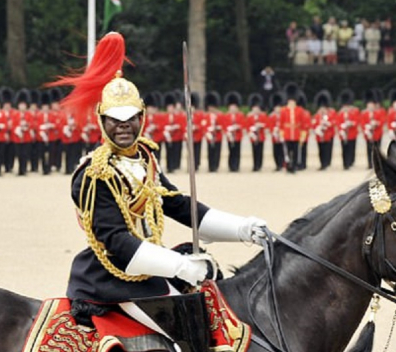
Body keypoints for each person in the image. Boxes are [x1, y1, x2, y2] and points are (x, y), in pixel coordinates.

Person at [49, 32, 264, 352]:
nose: (123, 126)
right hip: (112, 279)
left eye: (131, 119)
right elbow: (119, 243)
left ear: (142, 117)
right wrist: (178, 266)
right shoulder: (94, 175)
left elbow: (180, 205)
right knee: (189, 330)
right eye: (114, 120)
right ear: (102, 120)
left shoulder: (145, 158)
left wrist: (243, 228)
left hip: (150, 266)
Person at [36, 90, 59, 175]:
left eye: (46, 107)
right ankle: (43, 168)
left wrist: (51, 125)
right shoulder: (39, 115)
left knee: (51, 154)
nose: (45, 108)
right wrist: (42, 129)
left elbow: (57, 125)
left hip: (51, 137)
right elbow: (36, 126)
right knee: (42, 154)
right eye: (43, 107)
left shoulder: (52, 115)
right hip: (41, 138)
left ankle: (48, 168)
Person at [360, 89, 385, 169]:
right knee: (369, 150)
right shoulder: (364, 113)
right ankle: (370, 164)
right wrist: (367, 127)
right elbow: (362, 123)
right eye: (369, 105)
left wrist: (376, 123)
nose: (370, 107)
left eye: (372, 105)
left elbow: (382, 121)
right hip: (368, 134)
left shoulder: (378, 113)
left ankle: (378, 164)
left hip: (377, 134)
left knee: (377, 150)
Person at [222, 91, 246, 172]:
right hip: (230, 136)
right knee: (230, 151)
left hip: (237, 136)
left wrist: (237, 126)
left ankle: (236, 166)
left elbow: (243, 124)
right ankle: (231, 166)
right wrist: (228, 130)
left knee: (237, 152)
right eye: (231, 107)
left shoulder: (240, 115)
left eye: (234, 107)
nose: (232, 109)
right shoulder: (226, 116)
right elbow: (224, 125)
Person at [336, 89, 359, 170]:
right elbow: (338, 123)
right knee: (344, 150)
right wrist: (342, 128)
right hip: (343, 135)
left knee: (351, 149)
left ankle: (350, 162)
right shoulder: (340, 113)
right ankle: (345, 164)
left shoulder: (354, 112)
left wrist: (351, 123)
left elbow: (356, 122)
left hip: (351, 134)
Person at [312, 90, 335, 170]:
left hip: (328, 136)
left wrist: (327, 124)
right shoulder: (317, 116)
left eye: (324, 108)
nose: (322, 110)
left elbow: (333, 122)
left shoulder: (330, 113)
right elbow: (314, 124)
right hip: (320, 137)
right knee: (321, 151)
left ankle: (326, 163)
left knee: (327, 150)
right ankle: (322, 164)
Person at [163, 93, 185, 173]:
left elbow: (182, 126)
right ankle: (169, 167)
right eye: (169, 107)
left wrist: (176, 127)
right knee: (168, 152)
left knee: (176, 152)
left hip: (177, 137)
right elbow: (163, 125)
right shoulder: (164, 116)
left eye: (171, 107)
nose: (170, 109)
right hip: (167, 137)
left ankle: (175, 166)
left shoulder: (178, 116)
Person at [246, 93, 268, 172]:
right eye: (254, 109)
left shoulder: (263, 116)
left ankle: (259, 165)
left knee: (260, 151)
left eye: (257, 109)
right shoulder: (250, 117)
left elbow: (266, 125)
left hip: (261, 136)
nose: (256, 110)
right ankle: (255, 165)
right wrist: (252, 130)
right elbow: (247, 126)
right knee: (254, 151)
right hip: (253, 136)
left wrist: (260, 125)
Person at [204, 91, 223, 172]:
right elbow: (204, 125)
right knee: (210, 152)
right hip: (209, 136)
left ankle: (216, 166)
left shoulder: (220, 115)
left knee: (217, 152)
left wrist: (217, 128)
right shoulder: (206, 115)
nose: (211, 108)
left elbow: (223, 125)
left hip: (217, 136)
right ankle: (211, 166)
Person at [267, 92, 286, 171]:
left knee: (282, 151)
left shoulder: (284, 115)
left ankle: (283, 164)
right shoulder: (272, 116)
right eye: (276, 108)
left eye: (279, 108)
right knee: (275, 151)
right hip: (275, 136)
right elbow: (270, 125)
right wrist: (273, 131)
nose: (277, 109)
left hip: (282, 135)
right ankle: (277, 165)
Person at [189, 92, 205, 171]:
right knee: (190, 152)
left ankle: (196, 164)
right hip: (189, 136)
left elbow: (202, 125)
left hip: (197, 136)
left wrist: (196, 127)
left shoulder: (199, 115)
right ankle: (191, 165)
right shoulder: (187, 115)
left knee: (197, 151)